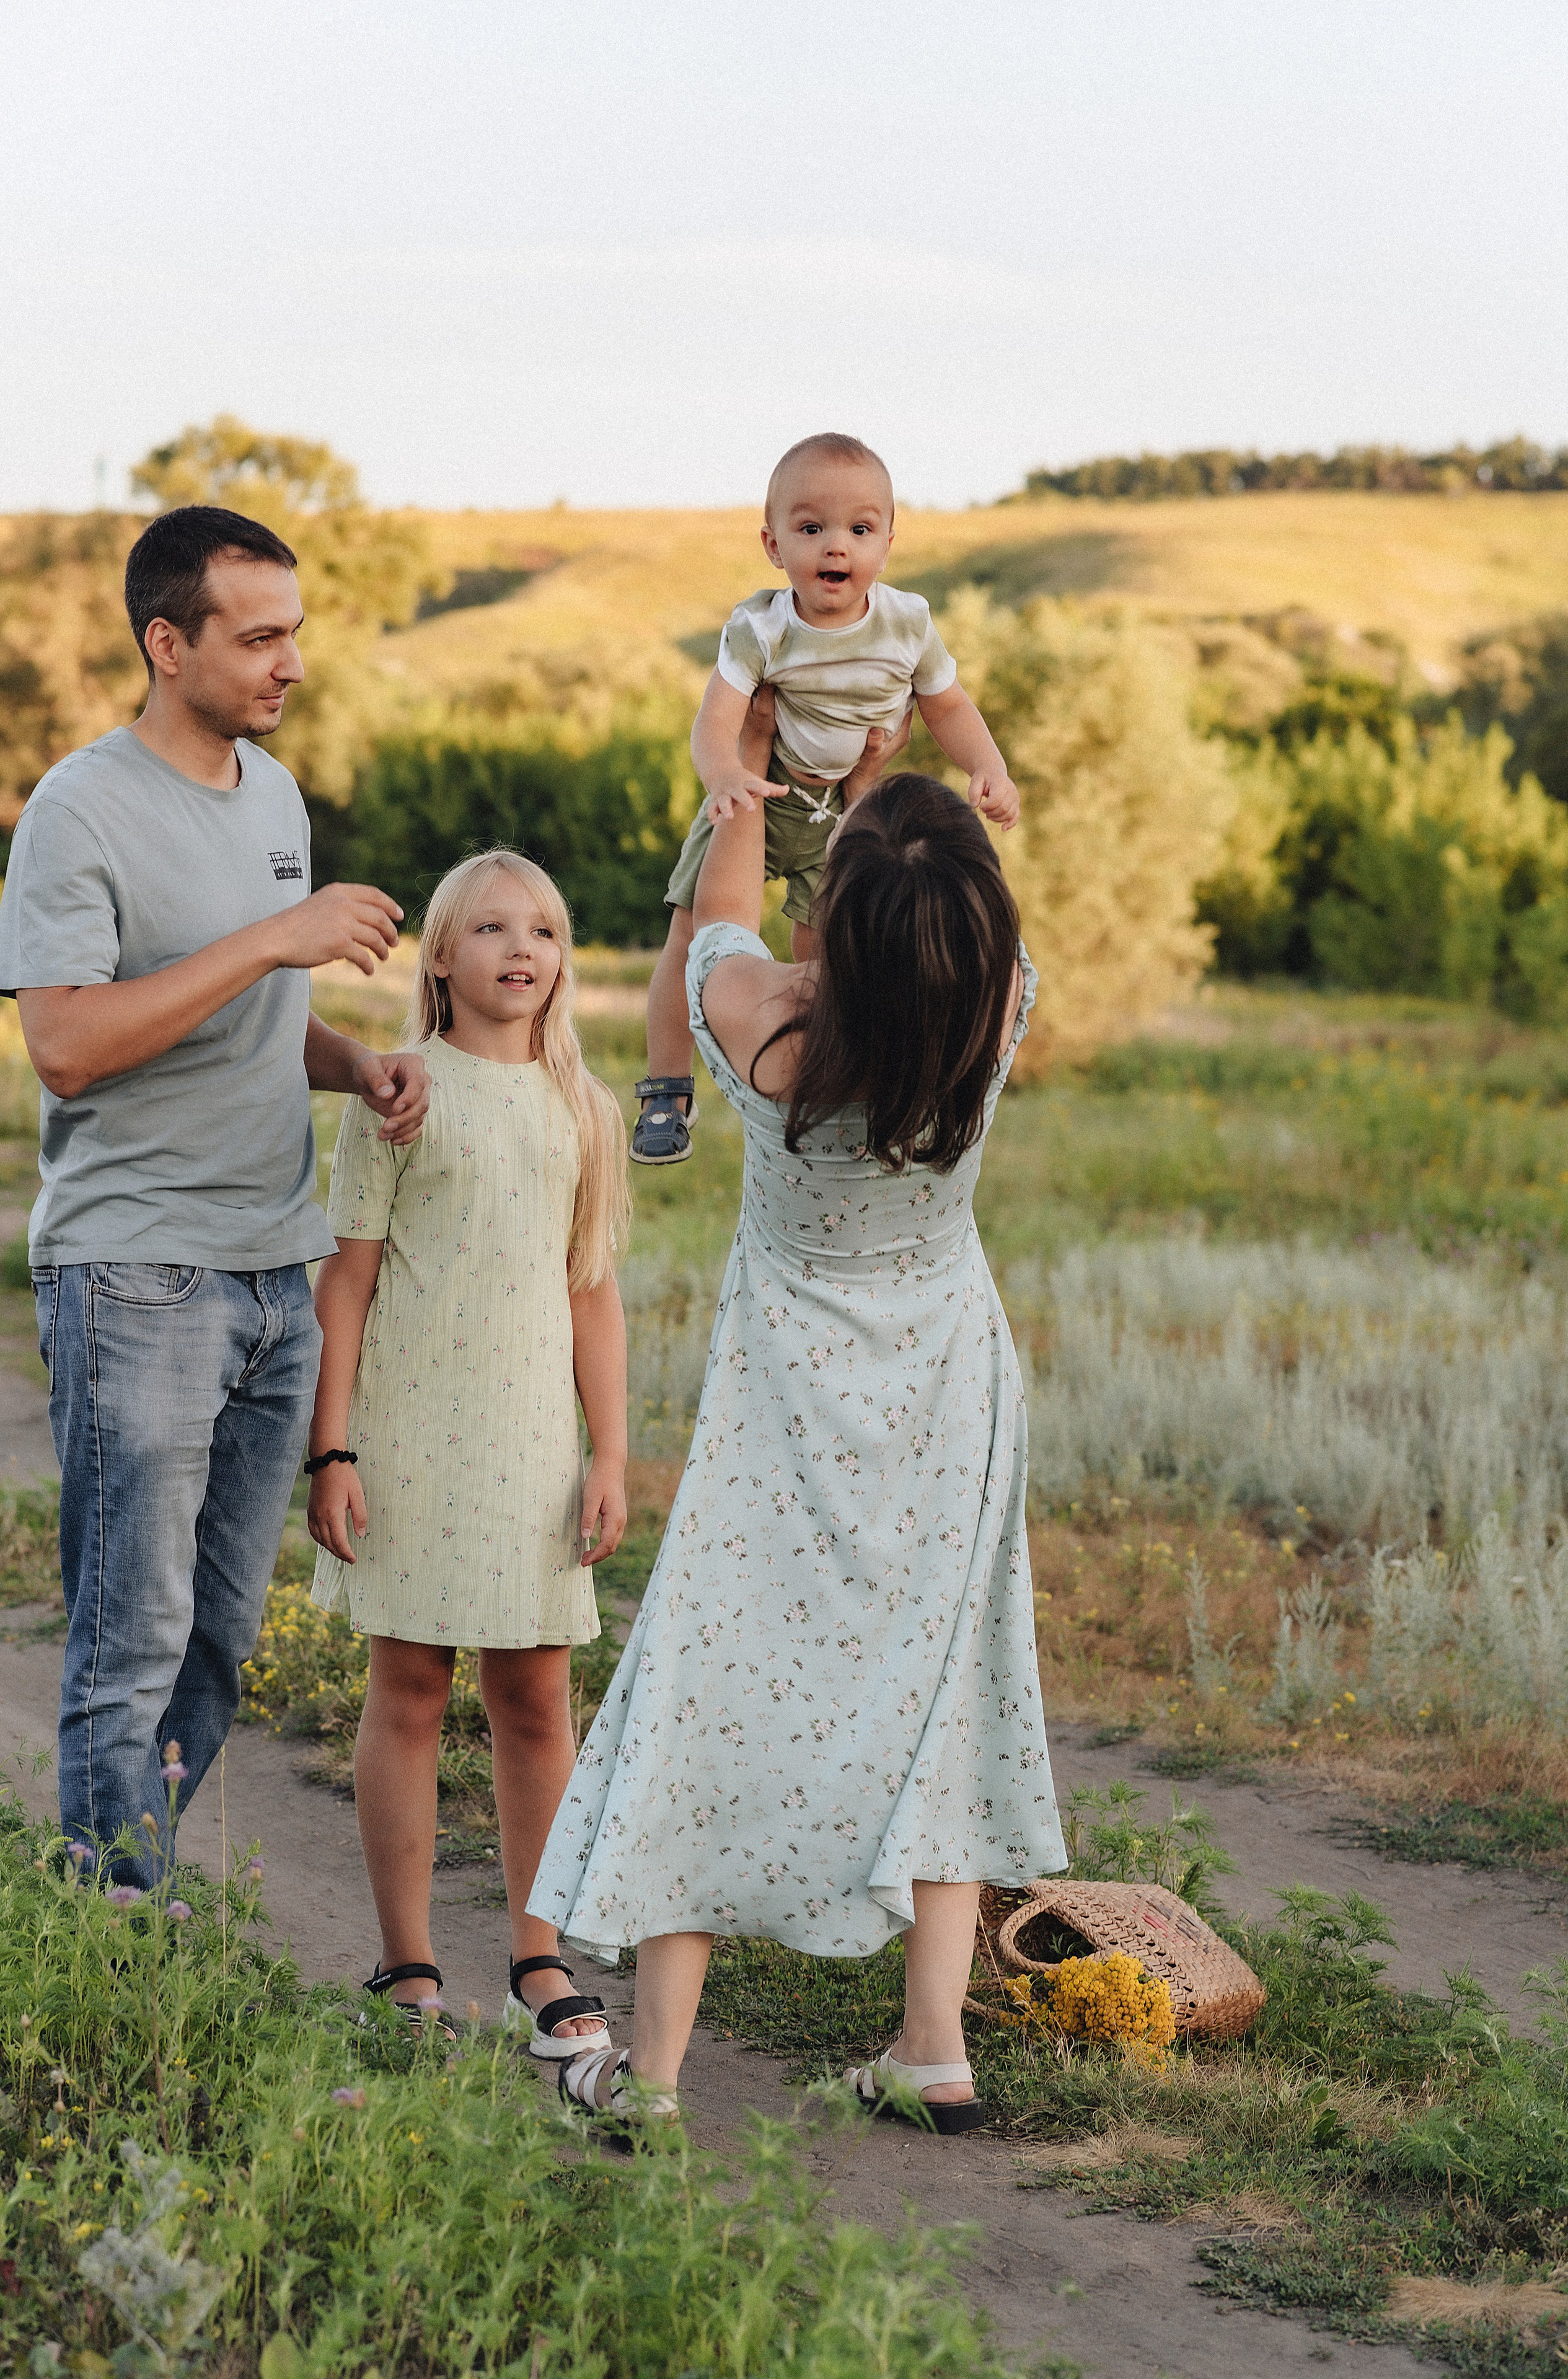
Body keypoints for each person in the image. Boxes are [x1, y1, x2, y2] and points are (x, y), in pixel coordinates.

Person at [533, 765, 1067, 2137]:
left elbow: (719, 910)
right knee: (946, 1684)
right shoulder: (993, 1007)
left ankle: (648, 2078)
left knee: (706, 1686)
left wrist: (747, 768)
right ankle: (930, 2045)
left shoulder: (762, 1030)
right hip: (948, 1385)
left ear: (830, 923)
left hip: (782, 1404)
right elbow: (938, 922)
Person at [0, 504, 431, 1886]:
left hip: (272, 1273)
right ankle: (111, 1925)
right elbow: (66, 1043)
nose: (288, 661)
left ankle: (110, 1887)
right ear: (166, 642)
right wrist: (271, 940)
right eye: (257, 636)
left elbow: (244, 1016)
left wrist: (350, 1059)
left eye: (294, 632)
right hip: (137, 1275)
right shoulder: (80, 807)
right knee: (132, 1627)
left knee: (219, 1637)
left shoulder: (275, 796)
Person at [305, 849, 630, 2046]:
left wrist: (609, 1454)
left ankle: (538, 1961)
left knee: (537, 1700)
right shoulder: (400, 1091)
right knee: (410, 1688)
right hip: (411, 1439)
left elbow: (592, 1293)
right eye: (491, 927)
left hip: (534, 1444)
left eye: (542, 928)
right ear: (441, 956)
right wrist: (329, 1450)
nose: (521, 948)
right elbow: (347, 1283)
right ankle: (407, 1967)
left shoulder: (581, 1108)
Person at [630, 431, 1020, 1167]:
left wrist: (988, 768)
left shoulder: (906, 623)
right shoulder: (760, 627)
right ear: (774, 545)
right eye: (811, 529)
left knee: (829, 954)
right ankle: (665, 1090)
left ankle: (833, 1079)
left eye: (859, 529)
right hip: (762, 788)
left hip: (844, 813)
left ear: (887, 543)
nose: (835, 546)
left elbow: (948, 708)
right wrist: (725, 777)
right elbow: (716, 721)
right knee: (690, 932)